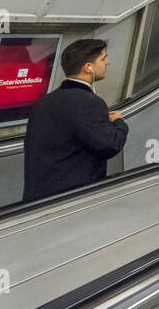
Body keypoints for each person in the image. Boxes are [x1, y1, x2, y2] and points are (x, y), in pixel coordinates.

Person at [22, 38, 128, 201]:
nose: (108, 62)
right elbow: (110, 145)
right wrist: (118, 122)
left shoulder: (44, 101)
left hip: (37, 197)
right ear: (88, 68)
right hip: (73, 198)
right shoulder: (90, 102)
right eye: (103, 58)